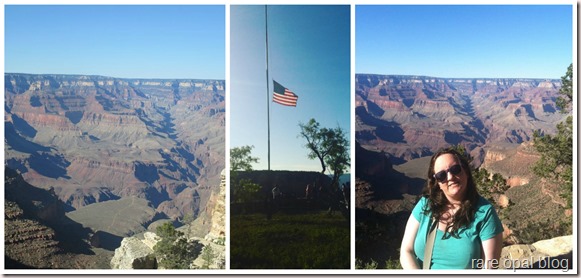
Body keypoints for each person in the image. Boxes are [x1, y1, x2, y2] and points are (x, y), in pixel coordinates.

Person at [400, 148, 504, 269]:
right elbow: (406, 251)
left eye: (455, 169)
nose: (450, 177)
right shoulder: (425, 205)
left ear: (465, 171)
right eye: (441, 175)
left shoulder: (485, 213)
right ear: (437, 182)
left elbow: (489, 268)